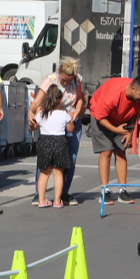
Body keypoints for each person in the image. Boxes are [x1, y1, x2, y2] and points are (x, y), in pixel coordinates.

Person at [30, 56, 85, 205]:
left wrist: (77, 111)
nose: (67, 83)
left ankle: (63, 193)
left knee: (70, 159)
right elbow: (37, 101)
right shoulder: (51, 80)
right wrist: (31, 112)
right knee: (45, 162)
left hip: (70, 119)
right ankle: (39, 194)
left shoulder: (77, 79)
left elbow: (80, 98)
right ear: (60, 72)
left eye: (70, 80)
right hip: (52, 121)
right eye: (65, 79)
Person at [89, 75, 140, 205]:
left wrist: (130, 130)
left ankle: (123, 190)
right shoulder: (112, 95)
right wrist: (116, 130)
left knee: (121, 151)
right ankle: (104, 190)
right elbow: (100, 117)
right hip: (101, 117)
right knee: (107, 152)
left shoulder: (139, 99)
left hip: (121, 119)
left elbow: (135, 112)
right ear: (132, 89)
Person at [34, 84, 73, 209]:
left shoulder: (42, 113)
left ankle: (41, 200)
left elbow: (34, 126)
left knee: (44, 173)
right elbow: (71, 129)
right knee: (58, 173)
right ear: (60, 100)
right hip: (59, 142)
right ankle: (57, 201)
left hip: (44, 141)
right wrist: (70, 119)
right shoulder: (63, 114)